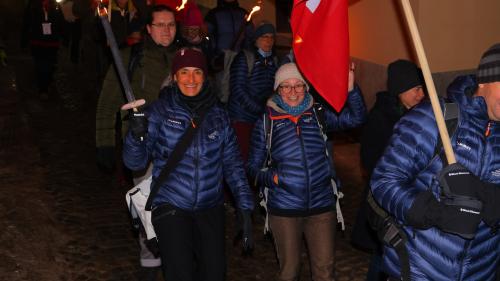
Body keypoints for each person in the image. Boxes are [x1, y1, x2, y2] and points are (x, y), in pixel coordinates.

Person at [122, 47, 255, 281]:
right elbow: (135, 161)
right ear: (174, 77)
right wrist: (136, 136)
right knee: (180, 273)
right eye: (184, 72)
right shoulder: (159, 112)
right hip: (172, 205)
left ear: (205, 77)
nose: (190, 79)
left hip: (210, 207)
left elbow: (233, 165)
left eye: (197, 72)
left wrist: (245, 207)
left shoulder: (218, 116)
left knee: (214, 273)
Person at [370, 44, 500, 280]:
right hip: (419, 270)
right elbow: (384, 181)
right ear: (484, 81)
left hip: (482, 272)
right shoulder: (435, 118)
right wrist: (438, 213)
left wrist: (485, 195)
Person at [247, 63, 367, 281]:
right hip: (284, 208)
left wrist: (351, 89)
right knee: (290, 271)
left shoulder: (319, 114)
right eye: (286, 86)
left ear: (306, 87)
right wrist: (274, 178)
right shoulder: (266, 122)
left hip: (321, 205)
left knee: (325, 271)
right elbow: (252, 168)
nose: (293, 92)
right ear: (278, 89)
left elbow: (356, 118)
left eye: (298, 85)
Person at [95, 5, 177, 280]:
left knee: (177, 212)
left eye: (171, 25)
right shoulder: (131, 59)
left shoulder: (185, 60)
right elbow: (107, 103)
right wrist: (104, 141)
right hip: (143, 150)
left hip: (179, 150)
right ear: (149, 29)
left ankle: (176, 263)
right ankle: (150, 267)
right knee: (148, 211)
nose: (167, 30)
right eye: (161, 25)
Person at [350, 59, 425, 281]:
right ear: (399, 91)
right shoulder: (380, 119)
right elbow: (371, 161)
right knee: (384, 256)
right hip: (386, 202)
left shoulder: (420, 114)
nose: (421, 94)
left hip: (410, 200)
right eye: (416, 89)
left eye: (421, 88)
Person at [228, 22, 278, 162]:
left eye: (271, 37)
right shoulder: (244, 58)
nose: (268, 41)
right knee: (242, 157)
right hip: (241, 117)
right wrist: (260, 109)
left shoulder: (273, 60)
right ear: (256, 40)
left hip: (260, 118)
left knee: (258, 157)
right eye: (264, 37)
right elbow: (238, 90)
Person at [21, 0, 65, 100]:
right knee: (40, 66)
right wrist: (24, 41)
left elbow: (60, 21)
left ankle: (48, 82)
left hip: (52, 42)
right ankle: (43, 89)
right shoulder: (32, 6)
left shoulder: (55, 6)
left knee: (50, 65)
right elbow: (26, 23)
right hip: (37, 42)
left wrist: (64, 36)